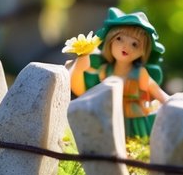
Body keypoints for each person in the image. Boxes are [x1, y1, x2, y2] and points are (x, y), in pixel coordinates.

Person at [66, 8, 168, 138]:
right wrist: (79, 69)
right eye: (119, 39)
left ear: (142, 51)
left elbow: (159, 93)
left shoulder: (139, 73)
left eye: (135, 44)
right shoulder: (105, 71)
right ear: (110, 41)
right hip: (108, 121)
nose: (126, 46)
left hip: (134, 124)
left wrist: (172, 101)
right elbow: (85, 93)